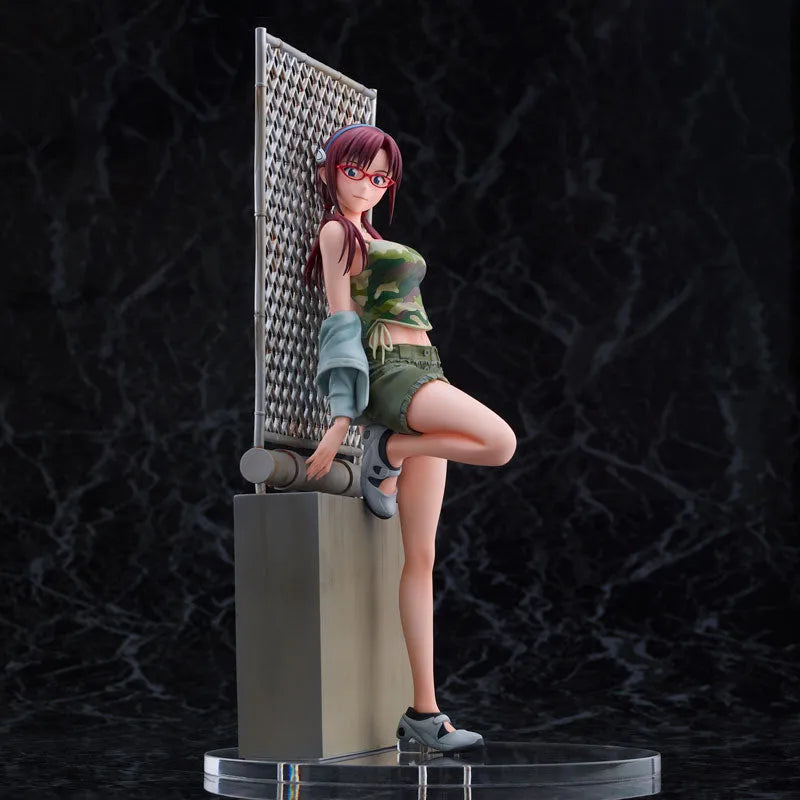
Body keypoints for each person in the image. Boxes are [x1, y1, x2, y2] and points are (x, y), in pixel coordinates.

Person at [301, 123, 516, 753]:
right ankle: (387, 450)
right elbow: (341, 324)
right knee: (500, 443)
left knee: (420, 557)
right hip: (393, 375)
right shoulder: (337, 231)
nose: (367, 186)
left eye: (380, 177)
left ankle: (424, 712)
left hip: (426, 367)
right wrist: (342, 419)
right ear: (329, 172)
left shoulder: (368, 233)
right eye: (355, 172)